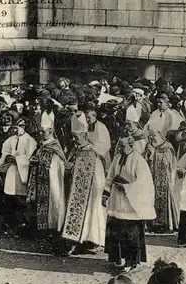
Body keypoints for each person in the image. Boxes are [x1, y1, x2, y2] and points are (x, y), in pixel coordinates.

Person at [102, 136, 156, 272]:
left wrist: (126, 188)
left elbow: (144, 184)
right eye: (119, 146)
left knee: (130, 234)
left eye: (122, 146)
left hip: (131, 205)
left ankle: (131, 262)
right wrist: (105, 194)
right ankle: (118, 258)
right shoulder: (117, 158)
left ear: (131, 146)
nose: (119, 149)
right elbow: (110, 176)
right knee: (116, 231)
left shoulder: (139, 161)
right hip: (117, 202)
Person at [60, 112, 107, 255]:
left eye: (77, 137)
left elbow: (99, 176)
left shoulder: (93, 152)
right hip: (75, 190)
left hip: (91, 191)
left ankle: (90, 242)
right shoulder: (75, 150)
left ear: (85, 136)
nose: (74, 140)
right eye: (73, 137)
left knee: (91, 214)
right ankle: (76, 242)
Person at [26, 113, 67, 241]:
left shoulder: (55, 146)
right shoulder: (42, 145)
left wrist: (41, 163)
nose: (40, 133)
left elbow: (58, 164)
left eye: (43, 131)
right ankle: (40, 229)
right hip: (39, 180)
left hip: (51, 180)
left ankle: (51, 229)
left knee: (52, 204)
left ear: (51, 131)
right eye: (40, 131)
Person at [0, 117, 37, 231]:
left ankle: (22, 222)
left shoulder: (30, 141)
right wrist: (7, 157)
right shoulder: (11, 139)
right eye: (17, 126)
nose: (18, 129)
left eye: (21, 126)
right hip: (12, 171)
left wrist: (17, 159)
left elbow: (31, 158)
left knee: (21, 197)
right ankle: (9, 221)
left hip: (22, 171)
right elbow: (5, 152)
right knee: (9, 195)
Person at [144, 130, 179, 234]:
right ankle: (153, 223)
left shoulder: (167, 147)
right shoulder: (151, 146)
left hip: (165, 179)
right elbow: (147, 160)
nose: (153, 139)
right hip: (154, 179)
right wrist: (150, 152)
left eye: (154, 136)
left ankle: (165, 224)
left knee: (165, 199)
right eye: (151, 137)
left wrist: (153, 152)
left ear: (160, 136)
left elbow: (168, 162)